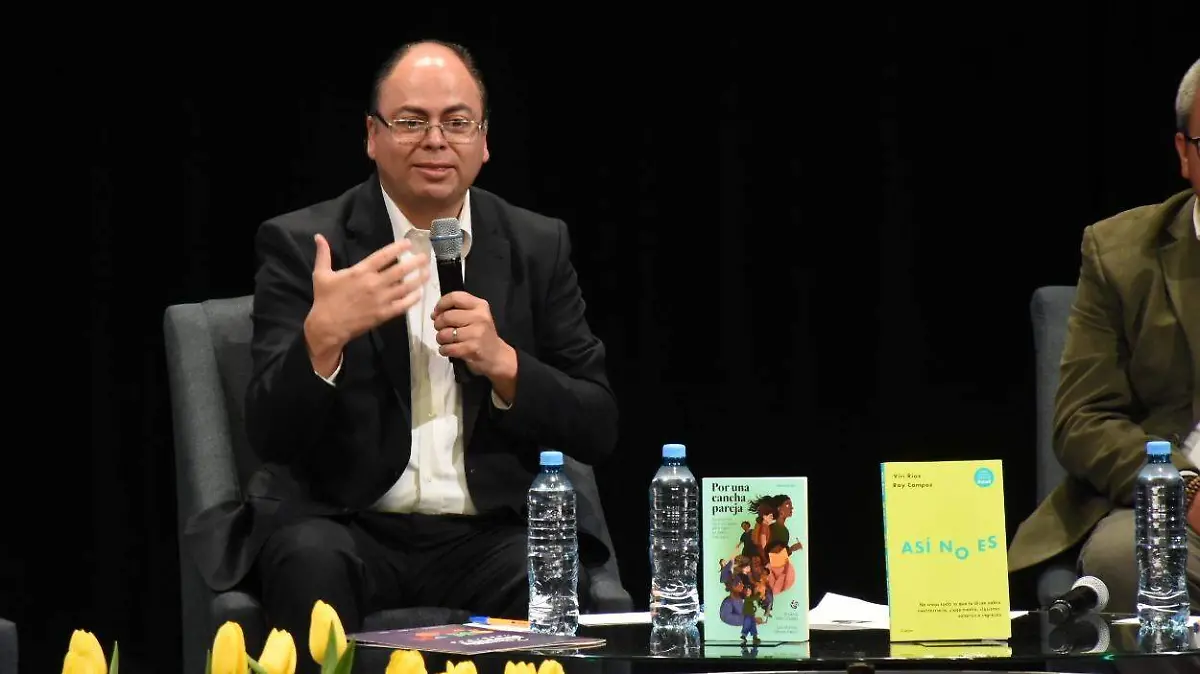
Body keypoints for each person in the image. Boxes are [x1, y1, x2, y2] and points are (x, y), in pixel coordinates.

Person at [182, 39, 619, 666]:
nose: (436, 140)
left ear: (484, 140)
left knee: (549, 574)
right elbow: (271, 435)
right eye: (411, 122)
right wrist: (323, 337)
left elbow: (599, 423)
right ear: (371, 135)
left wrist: (505, 365)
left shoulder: (536, 245)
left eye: (457, 122)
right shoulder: (307, 244)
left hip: (490, 533)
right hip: (347, 523)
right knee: (309, 559)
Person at [1008, 58, 1200, 614]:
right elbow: (1082, 419)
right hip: (1179, 512)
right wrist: (1183, 490)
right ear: (1185, 153)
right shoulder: (1121, 253)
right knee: (1124, 562)